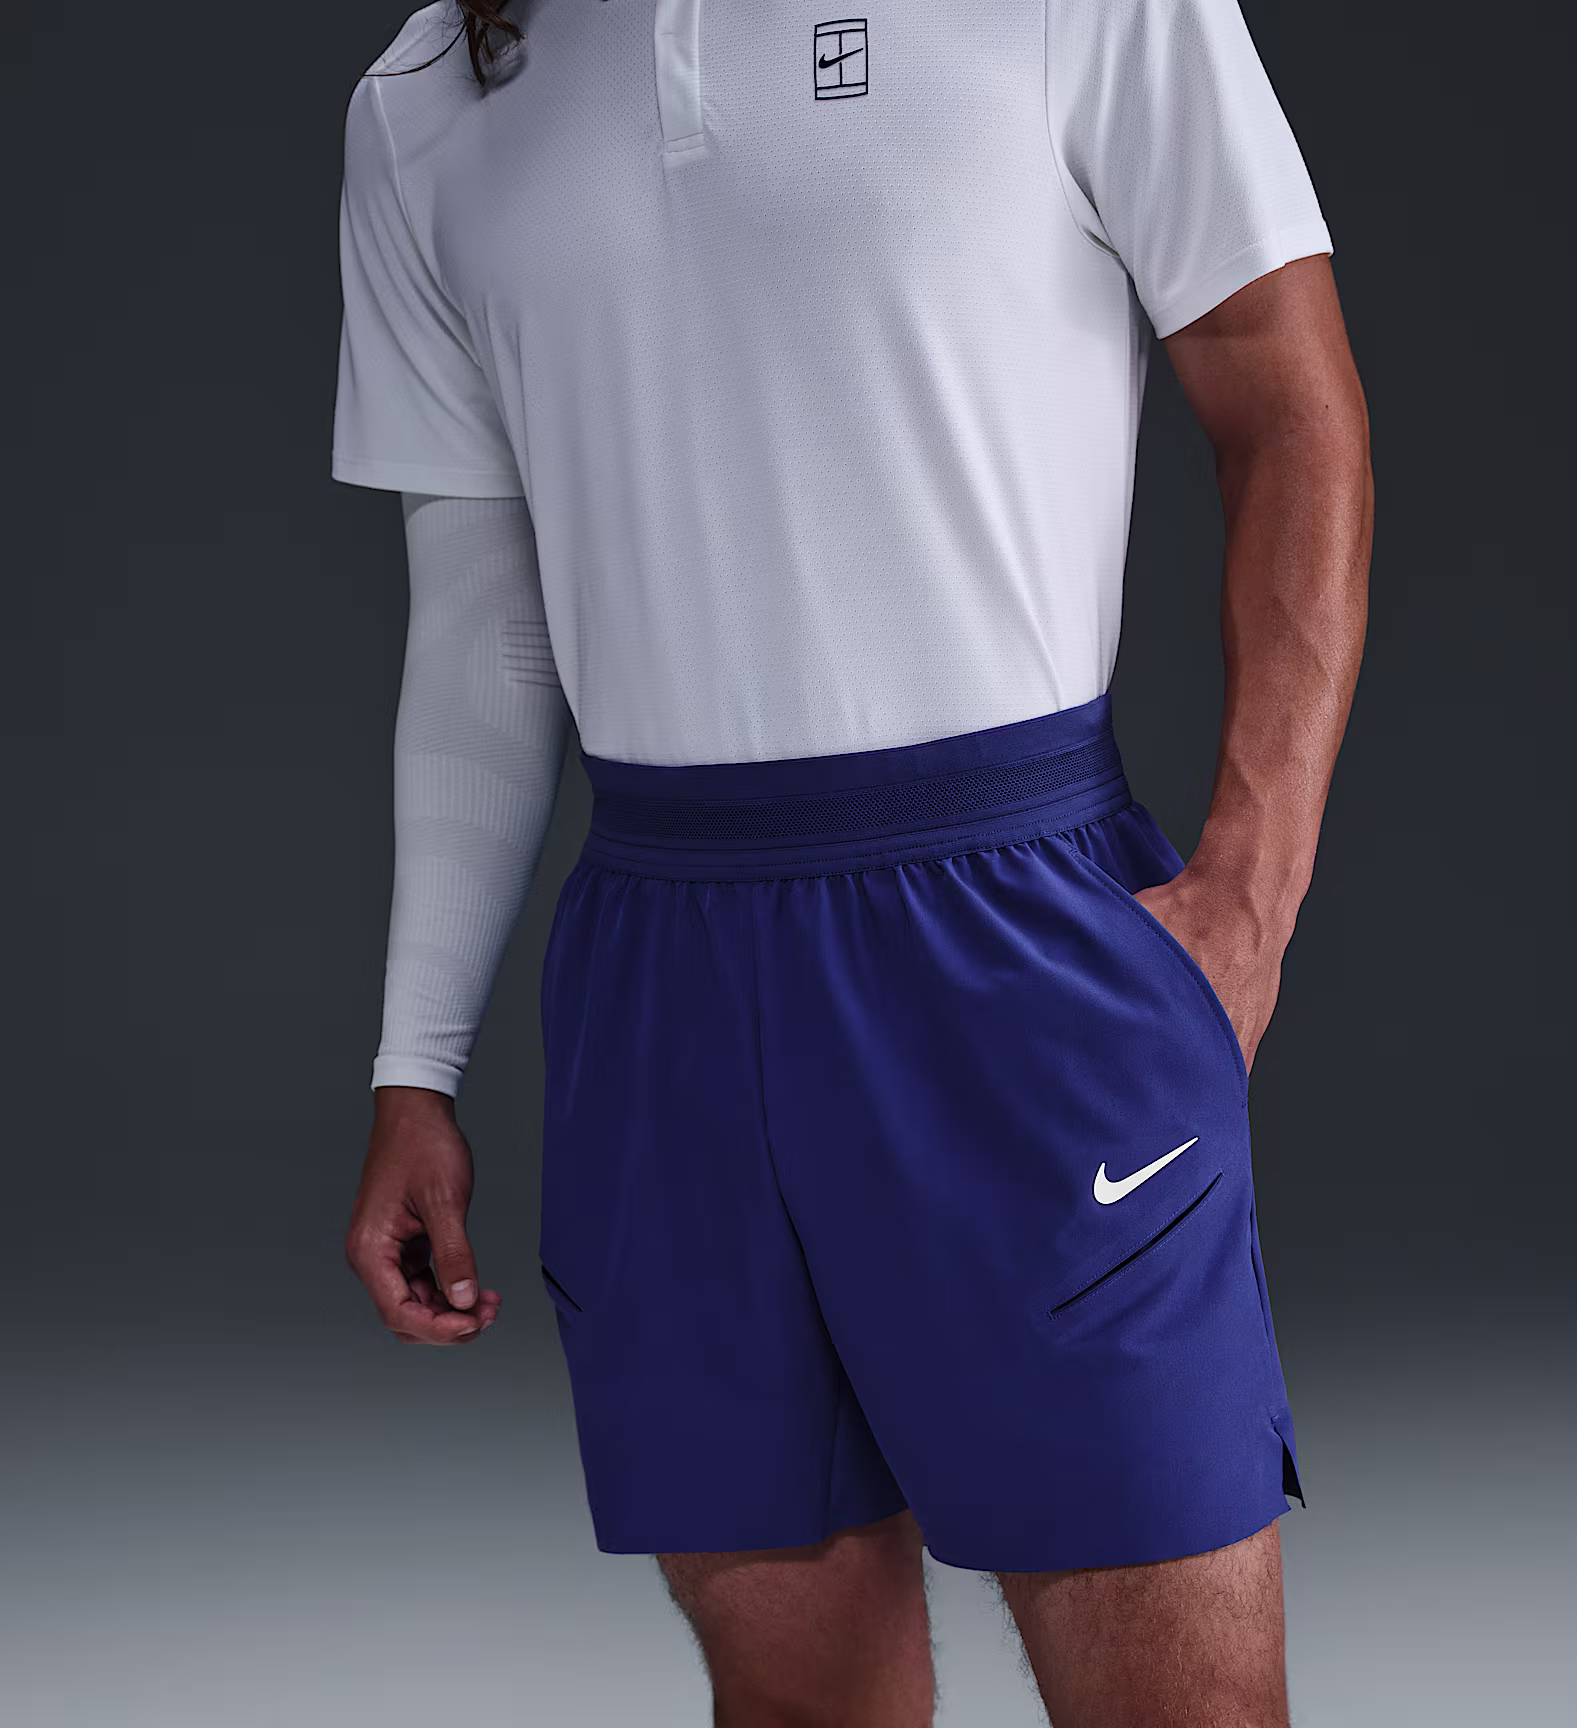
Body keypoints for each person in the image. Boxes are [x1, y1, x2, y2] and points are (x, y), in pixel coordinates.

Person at [332, 0, 1372, 1721]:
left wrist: (1251, 895)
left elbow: (1289, 400)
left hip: (1013, 924)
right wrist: (413, 1066)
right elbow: (482, 634)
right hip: (666, 978)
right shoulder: (436, 87)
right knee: (797, 1702)